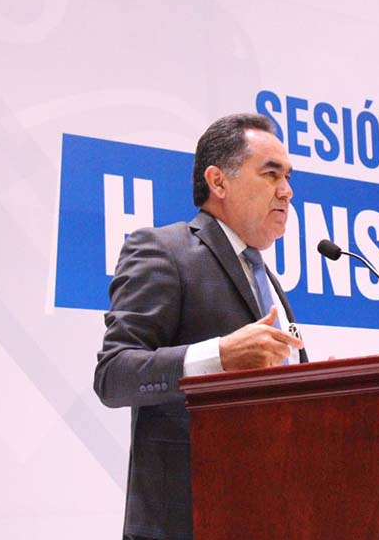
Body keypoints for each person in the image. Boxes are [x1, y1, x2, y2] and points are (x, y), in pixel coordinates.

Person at [93, 113, 306, 540]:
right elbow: (113, 376)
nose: (287, 190)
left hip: (262, 514)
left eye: (288, 176)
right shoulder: (163, 250)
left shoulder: (265, 276)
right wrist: (218, 357)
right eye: (271, 174)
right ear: (218, 181)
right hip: (184, 522)